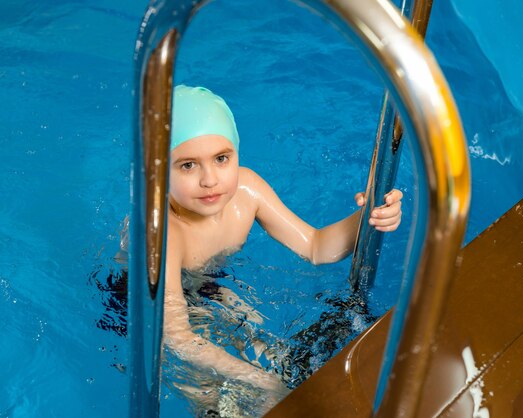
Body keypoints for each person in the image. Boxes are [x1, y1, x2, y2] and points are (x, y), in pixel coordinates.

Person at [163, 85, 403, 414]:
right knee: (212, 397)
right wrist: (257, 380)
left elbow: (316, 247)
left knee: (281, 367)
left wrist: (369, 216)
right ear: (159, 172)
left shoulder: (246, 190)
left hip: (208, 287)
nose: (210, 180)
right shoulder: (162, 233)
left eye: (221, 158)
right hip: (148, 310)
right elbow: (176, 337)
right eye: (188, 165)